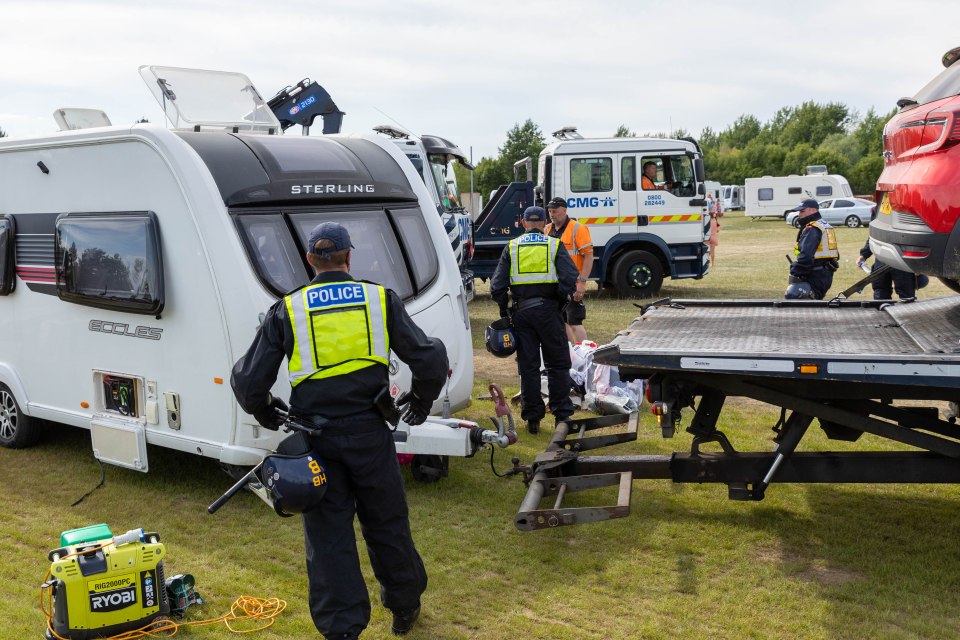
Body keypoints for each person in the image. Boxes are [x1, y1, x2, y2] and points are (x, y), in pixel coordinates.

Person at [231, 221, 448, 640]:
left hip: (317, 441)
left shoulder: (289, 308)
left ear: (310, 261)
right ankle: (404, 607)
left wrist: (267, 413)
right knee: (387, 522)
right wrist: (419, 403)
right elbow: (430, 360)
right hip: (371, 434)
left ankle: (342, 629)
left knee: (329, 537)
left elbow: (248, 380)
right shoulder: (379, 300)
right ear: (349, 258)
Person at [491, 206, 579, 434]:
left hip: (522, 314)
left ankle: (533, 419)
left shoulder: (511, 247)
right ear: (544, 223)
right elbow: (570, 278)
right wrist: (560, 299)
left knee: (529, 367)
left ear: (523, 222)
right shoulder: (554, 244)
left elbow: (497, 287)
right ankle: (562, 415)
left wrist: (505, 311)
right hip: (549, 312)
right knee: (558, 364)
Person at [545, 196, 594, 343]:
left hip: (573, 284)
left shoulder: (578, 228)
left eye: (555, 211)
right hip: (555, 284)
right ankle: (571, 352)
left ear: (564, 210)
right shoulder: (547, 229)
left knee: (574, 322)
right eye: (550, 211)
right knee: (562, 321)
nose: (552, 215)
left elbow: (589, 257)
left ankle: (585, 354)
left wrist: (582, 283)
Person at [857, 215, 929, 299]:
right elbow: (874, 233)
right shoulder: (880, 207)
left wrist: (918, 264)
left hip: (902, 258)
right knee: (880, 293)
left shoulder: (907, 208)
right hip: (882, 258)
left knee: (906, 295)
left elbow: (918, 232)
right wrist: (864, 254)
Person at [787, 198, 839, 300]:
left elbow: (806, 255)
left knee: (794, 295)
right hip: (826, 274)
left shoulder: (813, 228)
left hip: (815, 275)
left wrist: (796, 270)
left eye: (802, 211)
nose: (799, 214)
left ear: (813, 210)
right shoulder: (825, 225)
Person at [706, 193, 723, 267]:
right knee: (712, 251)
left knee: (707, 251)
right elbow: (718, 230)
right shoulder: (715, 222)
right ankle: (713, 264)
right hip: (714, 237)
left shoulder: (706, 222)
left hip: (707, 237)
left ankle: (706, 263)